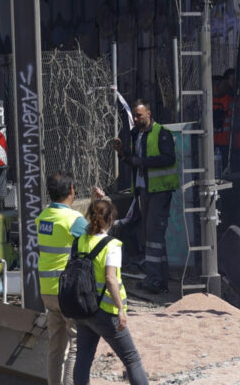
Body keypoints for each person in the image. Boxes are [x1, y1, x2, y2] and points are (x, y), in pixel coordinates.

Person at [36, 173, 104, 385]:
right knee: (76, 344)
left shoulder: (44, 216)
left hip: (47, 290)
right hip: (67, 291)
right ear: (72, 190)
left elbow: (77, 226)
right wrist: (101, 204)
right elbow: (96, 235)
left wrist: (92, 205)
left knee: (55, 348)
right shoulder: (72, 219)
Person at [72, 199, 148, 385]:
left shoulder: (80, 241)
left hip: (82, 309)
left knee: (83, 358)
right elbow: (110, 279)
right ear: (111, 218)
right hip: (106, 312)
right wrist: (121, 309)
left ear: (89, 217)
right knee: (132, 359)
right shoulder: (112, 245)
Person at [110, 99, 177, 294]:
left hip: (159, 191)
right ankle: (158, 277)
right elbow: (133, 161)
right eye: (134, 115)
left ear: (148, 113)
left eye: (139, 115)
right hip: (145, 190)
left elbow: (168, 158)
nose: (136, 119)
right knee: (152, 236)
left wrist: (143, 162)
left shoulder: (161, 133)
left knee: (153, 235)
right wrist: (122, 153)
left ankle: (155, 278)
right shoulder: (136, 135)